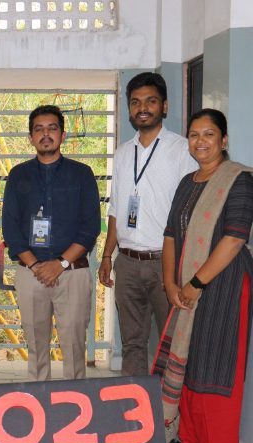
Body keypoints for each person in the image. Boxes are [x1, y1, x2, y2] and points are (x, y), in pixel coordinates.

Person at [152, 108, 253, 443]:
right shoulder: (187, 182)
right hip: (184, 285)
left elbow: (234, 239)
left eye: (209, 134)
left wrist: (196, 284)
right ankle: (189, 437)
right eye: (194, 135)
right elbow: (169, 235)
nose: (200, 141)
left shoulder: (239, 180)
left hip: (224, 286)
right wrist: (170, 283)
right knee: (189, 361)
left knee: (215, 363)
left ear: (223, 140)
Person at [99, 72, 198, 376]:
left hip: (166, 264)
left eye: (150, 101)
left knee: (174, 343)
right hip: (127, 263)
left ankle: (169, 403)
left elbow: (191, 211)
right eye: (135, 102)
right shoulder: (122, 153)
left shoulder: (182, 150)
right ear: (129, 109)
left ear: (164, 106)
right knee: (132, 344)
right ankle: (133, 402)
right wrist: (107, 255)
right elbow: (116, 208)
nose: (142, 108)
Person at [2, 105, 100, 381]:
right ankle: (39, 401)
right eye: (39, 129)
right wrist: (37, 266)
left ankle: (75, 401)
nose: (46, 134)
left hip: (73, 273)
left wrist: (60, 264)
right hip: (30, 274)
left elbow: (90, 228)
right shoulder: (18, 175)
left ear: (63, 135)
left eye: (52, 128)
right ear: (31, 137)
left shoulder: (82, 174)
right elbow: (11, 229)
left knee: (74, 347)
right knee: (36, 348)